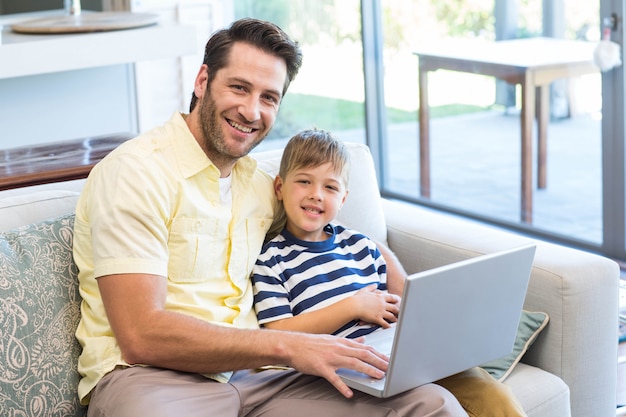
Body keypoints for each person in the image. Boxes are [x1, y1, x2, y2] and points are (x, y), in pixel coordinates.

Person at [73, 18, 469, 417]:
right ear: (202, 80)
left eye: (269, 97)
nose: (251, 111)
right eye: (239, 87)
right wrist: (290, 346)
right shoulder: (136, 173)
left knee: (431, 405)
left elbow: (342, 234)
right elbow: (142, 335)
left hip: (264, 380)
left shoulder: (263, 186)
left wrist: (407, 298)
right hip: (154, 380)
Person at [252, 129, 529, 417]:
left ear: (344, 198)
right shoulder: (270, 258)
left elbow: (395, 307)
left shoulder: (361, 245)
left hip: (399, 354)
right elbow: (279, 333)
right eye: (304, 181)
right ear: (280, 187)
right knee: (433, 400)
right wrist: (353, 306)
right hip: (345, 366)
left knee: (494, 394)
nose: (316, 195)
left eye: (330, 187)